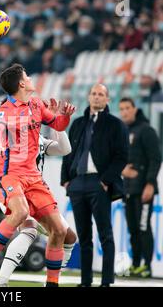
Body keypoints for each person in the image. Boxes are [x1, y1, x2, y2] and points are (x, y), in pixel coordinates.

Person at [0, 64, 76, 287]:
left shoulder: (36, 104)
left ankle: (52, 284)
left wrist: (64, 116)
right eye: (27, 76)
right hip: (9, 175)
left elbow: (58, 124)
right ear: (22, 83)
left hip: (33, 177)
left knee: (60, 230)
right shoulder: (6, 109)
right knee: (22, 214)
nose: (30, 78)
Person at [61, 84, 129, 287]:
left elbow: (122, 156)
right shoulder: (78, 123)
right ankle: (85, 282)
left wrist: (106, 181)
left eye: (101, 94)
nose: (97, 97)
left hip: (99, 183)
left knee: (105, 234)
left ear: (108, 99)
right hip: (77, 183)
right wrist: (66, 180)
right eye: (94, 93)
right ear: (88, 97)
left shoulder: (115, 125)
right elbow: (67, 153)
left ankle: (107, 282)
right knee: (83, 236)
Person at [119, 97, 162, 278]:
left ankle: (147, 266)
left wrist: (150, 184)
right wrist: (122, 171)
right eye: (121, 109)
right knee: (133, 229)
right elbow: (118, 159)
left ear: (135, 109)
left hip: (144, 189)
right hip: (128, 190)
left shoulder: (146, 130)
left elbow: (156, 158)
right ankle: (135, 265)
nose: (124, 112)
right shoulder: (123, 131)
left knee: (144, 228)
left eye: (127, 108)